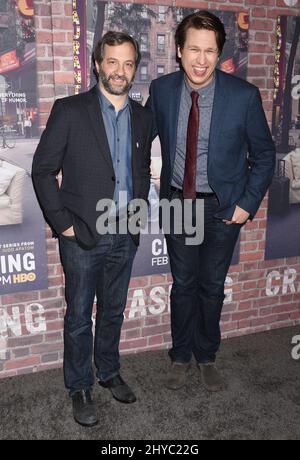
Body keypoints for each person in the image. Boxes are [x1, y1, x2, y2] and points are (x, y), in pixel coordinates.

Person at [146, 11, 275, 392]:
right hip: (177, 204)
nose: (201, 60)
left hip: (223, 209)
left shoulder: (244, 96)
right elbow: (140, 137)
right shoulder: (162, 90)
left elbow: (264, 156)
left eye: (210, 51)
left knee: (212, 286)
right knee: (183, 284)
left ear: (219, 54)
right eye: (194, 50)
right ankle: (180, 355)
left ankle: (206, 355)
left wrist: (247, 203)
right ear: (179, 51)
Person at [32, 31, 152, 427]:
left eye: (128, 63)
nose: (120, 71)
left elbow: (138, 172)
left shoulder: (143, 117)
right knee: (80, 315)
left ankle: (108, 371)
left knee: (114, 309)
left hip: (125, 233)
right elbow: (43, 170)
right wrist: (62, 223)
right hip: (82, 235)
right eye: (113, 62)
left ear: (135, 68)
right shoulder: (69, 110)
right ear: (98, 64)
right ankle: (79, 386)